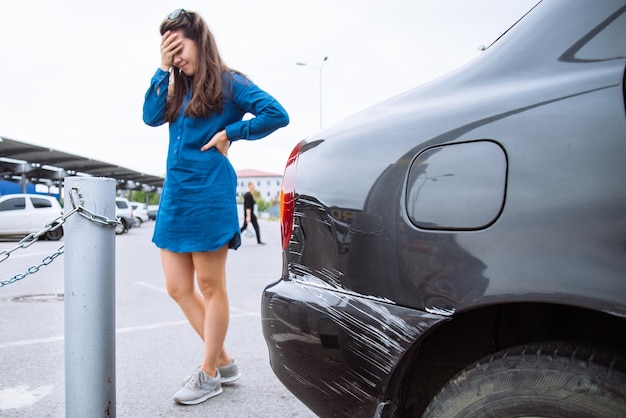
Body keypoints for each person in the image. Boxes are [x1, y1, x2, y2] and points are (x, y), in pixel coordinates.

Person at [142, 8, 289, 405]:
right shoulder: (174, 85)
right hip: (176, 195)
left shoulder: (229, 82)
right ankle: (224, 359)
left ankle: (209, 372)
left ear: (199, 39)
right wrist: (162, 70)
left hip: (209, 192)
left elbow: (277, 114)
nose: (176, 57)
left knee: (211, 285)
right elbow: (149, 117)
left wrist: (232, 131)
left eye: (180, 46)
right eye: (168, 50)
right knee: (177, 287)